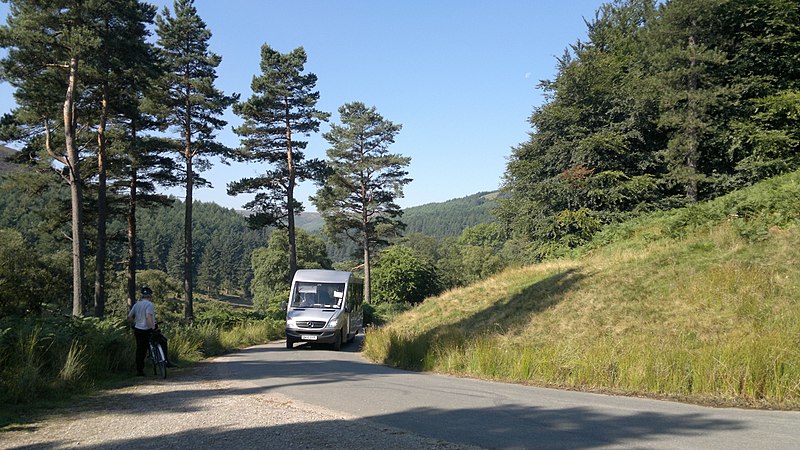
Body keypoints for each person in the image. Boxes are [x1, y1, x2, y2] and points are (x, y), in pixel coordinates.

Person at [128, 286, 174, 376]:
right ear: (150, 295)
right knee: (163, 340)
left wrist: (133, 325)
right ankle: (166, 361)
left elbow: (129, 317)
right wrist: (153, 328)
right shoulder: (149, 304)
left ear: (142, 295)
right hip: (147, 329)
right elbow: (148, 317)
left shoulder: (136, 304)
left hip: (138, 330)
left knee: (140, 350)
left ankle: (140, 371)